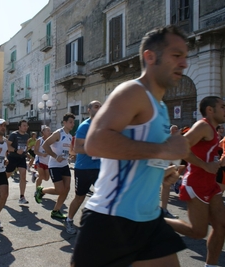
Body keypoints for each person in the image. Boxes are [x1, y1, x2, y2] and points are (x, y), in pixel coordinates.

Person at [71, 25, 190, 267]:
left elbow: (136, 154)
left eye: (185, 57)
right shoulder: (132, 91)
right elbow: (95, 142)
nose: (184, 63)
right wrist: (163, 151)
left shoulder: (161, 107)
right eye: (176, 56)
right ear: (150, 56)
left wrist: (157, 173)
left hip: (148, 218)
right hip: (111, 219)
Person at [166, 96, 225, 267]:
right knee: (198, 232)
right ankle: (155, 220)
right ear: (210, 110)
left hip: (210, 184)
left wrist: (216, 163)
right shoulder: (203, 126)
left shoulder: (213, 130)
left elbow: (207, 155)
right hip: (196, 183)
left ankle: (211, 265)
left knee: (221, 225)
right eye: (222, 106)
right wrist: (205, 165)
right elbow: (180, 147)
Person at [65, 101, 101, 235]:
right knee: (80, 197)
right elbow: (77, 148)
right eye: (96, 106)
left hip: (100, 167)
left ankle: (93, 219)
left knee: (103, 196)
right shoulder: (85, 126)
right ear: (89, 109)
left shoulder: (104, 125)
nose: (99, 109)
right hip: (84, 168)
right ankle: (69, 220)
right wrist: (94, 149)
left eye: (101, 107)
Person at [35, 113, 75, 220]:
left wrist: (72, 154)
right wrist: (55, 156)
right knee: (60, 190)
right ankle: (41, 190)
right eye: (70, 122)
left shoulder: (70, 136)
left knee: (66, 189)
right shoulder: (58, 133)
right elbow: (45, 145)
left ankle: (56, 211)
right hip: (54, 166)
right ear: (64, 123)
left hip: (64, 165)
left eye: (73, 122)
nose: (72, 124)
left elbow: (69, 150)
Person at [6, 120, 29, 204]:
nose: (26, 127)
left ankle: (22, 197)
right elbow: (7, 146)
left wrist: (27, 152)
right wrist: (15, 150)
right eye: (24, 125)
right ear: (19, 127)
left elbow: (25, 145)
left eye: (26, 126)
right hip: (12, 157)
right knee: (7, 175)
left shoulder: (26, 135)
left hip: (22, 158)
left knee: (23, 176)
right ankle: (0, 185)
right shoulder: (14, 135)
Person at [160, 125, 180, 219]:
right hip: (159, 163)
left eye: (177, 129)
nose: (176, 130)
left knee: (166, 185)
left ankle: (164, 210)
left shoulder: (176, 140)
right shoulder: (166, 138)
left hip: (166, 163)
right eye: (174, 129)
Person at [33, 125, 52, 190]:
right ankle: (37, 191)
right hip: (40, 160)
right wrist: (42, 154)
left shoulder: (51, 141)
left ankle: (35, 174)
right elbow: (35, 151)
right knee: (41, 176)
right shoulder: (39, 140)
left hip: (47, 161)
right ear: (43, 132)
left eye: (50, 130)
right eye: (48, 130)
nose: (50, 132)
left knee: (46, 178)